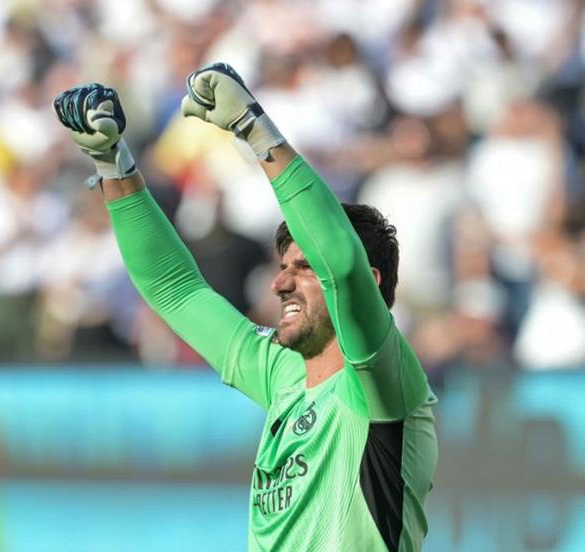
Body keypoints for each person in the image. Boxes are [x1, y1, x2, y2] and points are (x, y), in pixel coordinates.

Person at [53, 63, 438, 552]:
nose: (280, 283)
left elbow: (341, 265)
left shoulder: (383, 382)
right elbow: (176, 290)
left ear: (371, 282)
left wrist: (254, 129)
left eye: (302, 268)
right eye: (283, 266)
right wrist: (112, 163)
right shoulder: (282, 373)